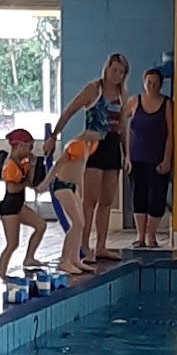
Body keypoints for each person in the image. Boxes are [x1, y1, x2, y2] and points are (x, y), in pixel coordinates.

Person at [43, 52, 130, 263]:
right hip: (91, 147)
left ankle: (101, 246)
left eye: (121, 72)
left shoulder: (123, 95)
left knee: (107, 200)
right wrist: (54, 136)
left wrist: (127, 154)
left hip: (112, 147)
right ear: (106, 69)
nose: (117, 75)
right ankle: (83, 246)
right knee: (89, 200)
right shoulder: (94, 89)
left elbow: (123, 127)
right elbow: (69, 111)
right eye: (114, 70)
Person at [37, 136, 99, 274]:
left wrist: (81, 192)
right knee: (76, 223)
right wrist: (46, 183)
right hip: (61, 186)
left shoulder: (90, 145)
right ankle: (65, 261)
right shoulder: (77, 145)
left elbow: (80, 171)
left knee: (81, 223)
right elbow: (58, 164)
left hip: (72, 187)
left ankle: (75, 259)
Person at [127, 69, 173, 248]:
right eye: (149, 82)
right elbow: (119, 121)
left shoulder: (167, 104)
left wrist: (167, 159)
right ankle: (140, 236)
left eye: (155, 83)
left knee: (157, 197)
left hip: (157, 159)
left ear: (160, 85)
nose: (151, 86)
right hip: (136, 158)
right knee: (138, 196)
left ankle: (151, 235)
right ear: (143, 83)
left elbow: (170, 134)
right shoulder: (134, 101)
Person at [0, 129, 47, 278]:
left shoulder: (21, 163)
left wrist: (32, 166)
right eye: (29, 147)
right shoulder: (10, 165)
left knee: (41, 225)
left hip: (18, 206)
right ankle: (0, 274)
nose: (30, 150)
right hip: (9, 209)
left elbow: (30, 183)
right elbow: (12, 189)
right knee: (12, 244)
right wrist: (25, 183)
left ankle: (29, 258)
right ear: (19, 146)